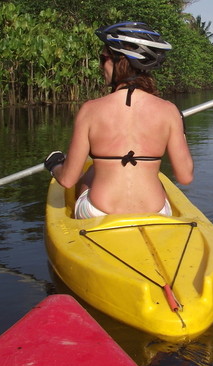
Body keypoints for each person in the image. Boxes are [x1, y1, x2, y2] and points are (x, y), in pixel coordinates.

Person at [44, 22, 193, 219]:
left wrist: (54, 164)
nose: (100, 65)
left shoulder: (90, 109)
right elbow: (185, 176)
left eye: (103, 58)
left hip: (98, 211)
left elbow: (68, 179)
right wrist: (180, 127)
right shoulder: (169, 110)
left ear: (119, 61)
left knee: (91, 173)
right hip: (156, 211)